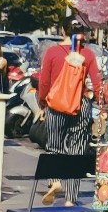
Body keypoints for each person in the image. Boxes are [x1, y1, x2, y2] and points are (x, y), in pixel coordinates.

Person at [34, 23, 98, 152]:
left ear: (63, 31)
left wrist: (42, 103)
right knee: (78, 147)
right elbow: (97, 82)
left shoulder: (52, 52)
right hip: (81, 103)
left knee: (54, 147)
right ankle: (73, 172)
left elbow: (44, 81)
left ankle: (57, 171)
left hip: (56, 104)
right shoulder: (88, 53)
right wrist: (100, 104)